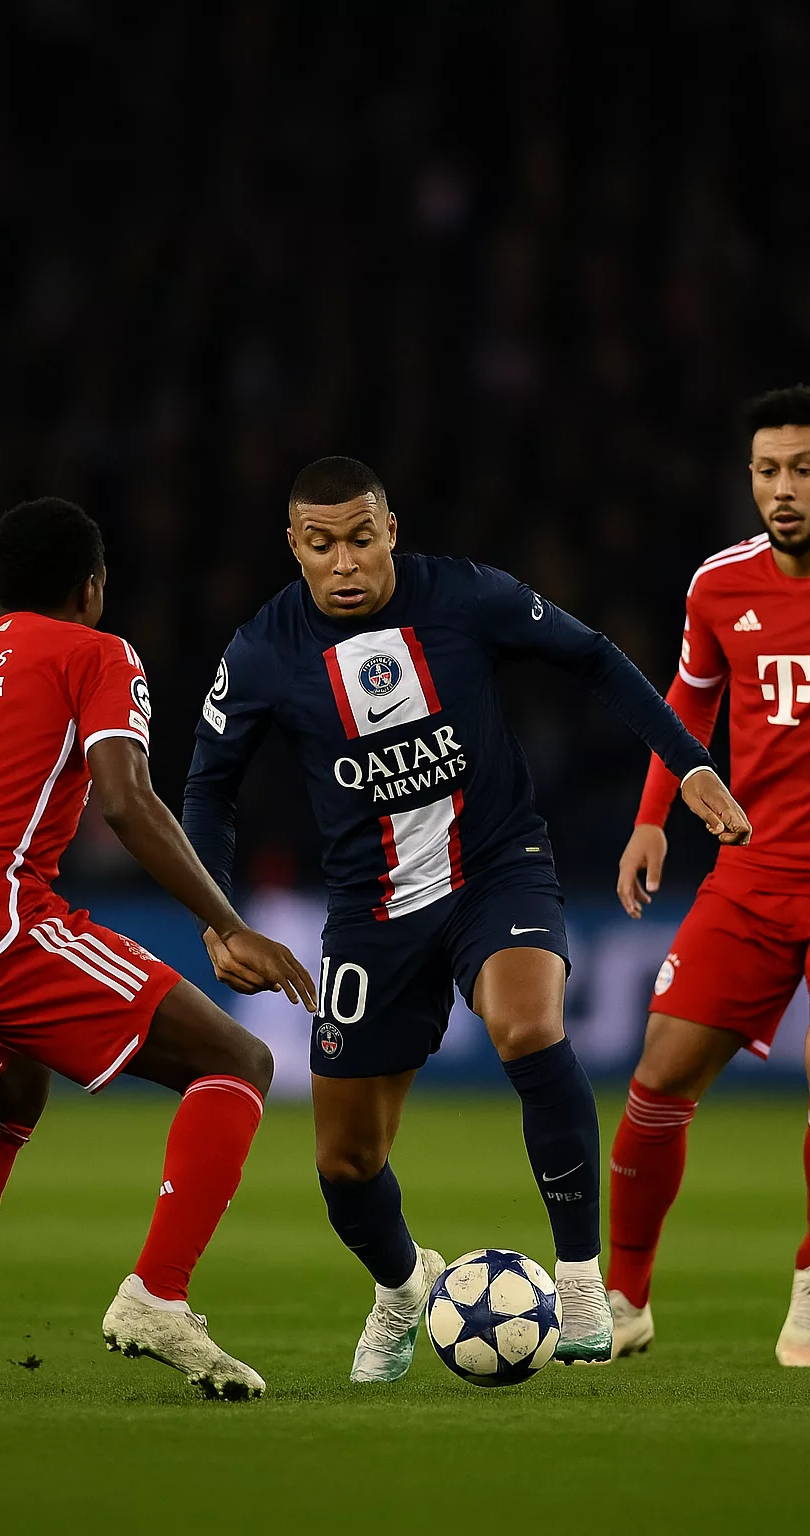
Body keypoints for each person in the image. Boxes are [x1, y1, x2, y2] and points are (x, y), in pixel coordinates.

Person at [183, 456, 750, 1381]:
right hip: (370, 913)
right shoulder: (261, 652)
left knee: (528, 1025)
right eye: (321, 546)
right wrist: (219, 919)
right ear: (294, 547)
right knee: (344, 1163)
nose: (345, 563)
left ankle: (576, 1279)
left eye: (362, 539)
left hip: (497, 868)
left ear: (391, 531)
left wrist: (687, 764)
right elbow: (207, 788)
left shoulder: (467, 597)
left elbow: (594, 656)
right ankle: (404, 1289)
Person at [0, 498, 316, 1401]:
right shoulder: (97, 652)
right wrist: (226, 920)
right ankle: (157, 1296)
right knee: (237, 1059)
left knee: (12, 1092)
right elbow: (126, 803)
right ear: (92, 587)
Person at [610, 384, 810, 1367]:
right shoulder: (719, 587)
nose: (781, 489)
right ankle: (623, 1297)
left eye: (801, 469)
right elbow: (686, 702)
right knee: (657, 1074)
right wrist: (650, 822)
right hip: (751, 875)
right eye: (765, 471)